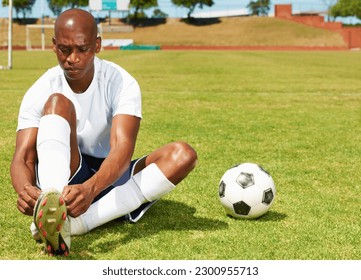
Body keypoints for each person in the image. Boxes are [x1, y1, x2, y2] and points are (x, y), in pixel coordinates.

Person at [10, 8, 197, 256]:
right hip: (67, 174)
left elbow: (121, 148)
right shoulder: (42, 88)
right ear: (54, 46)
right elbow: (23, 157)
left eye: (82, 49)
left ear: (97, 45)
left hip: (109, 173)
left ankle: (76, 224)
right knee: (57, 103)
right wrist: (24, 189)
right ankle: (53, 208)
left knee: (182, 155)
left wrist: (91, 189)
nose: (72, 58)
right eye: (65, 49)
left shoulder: (120, 82)